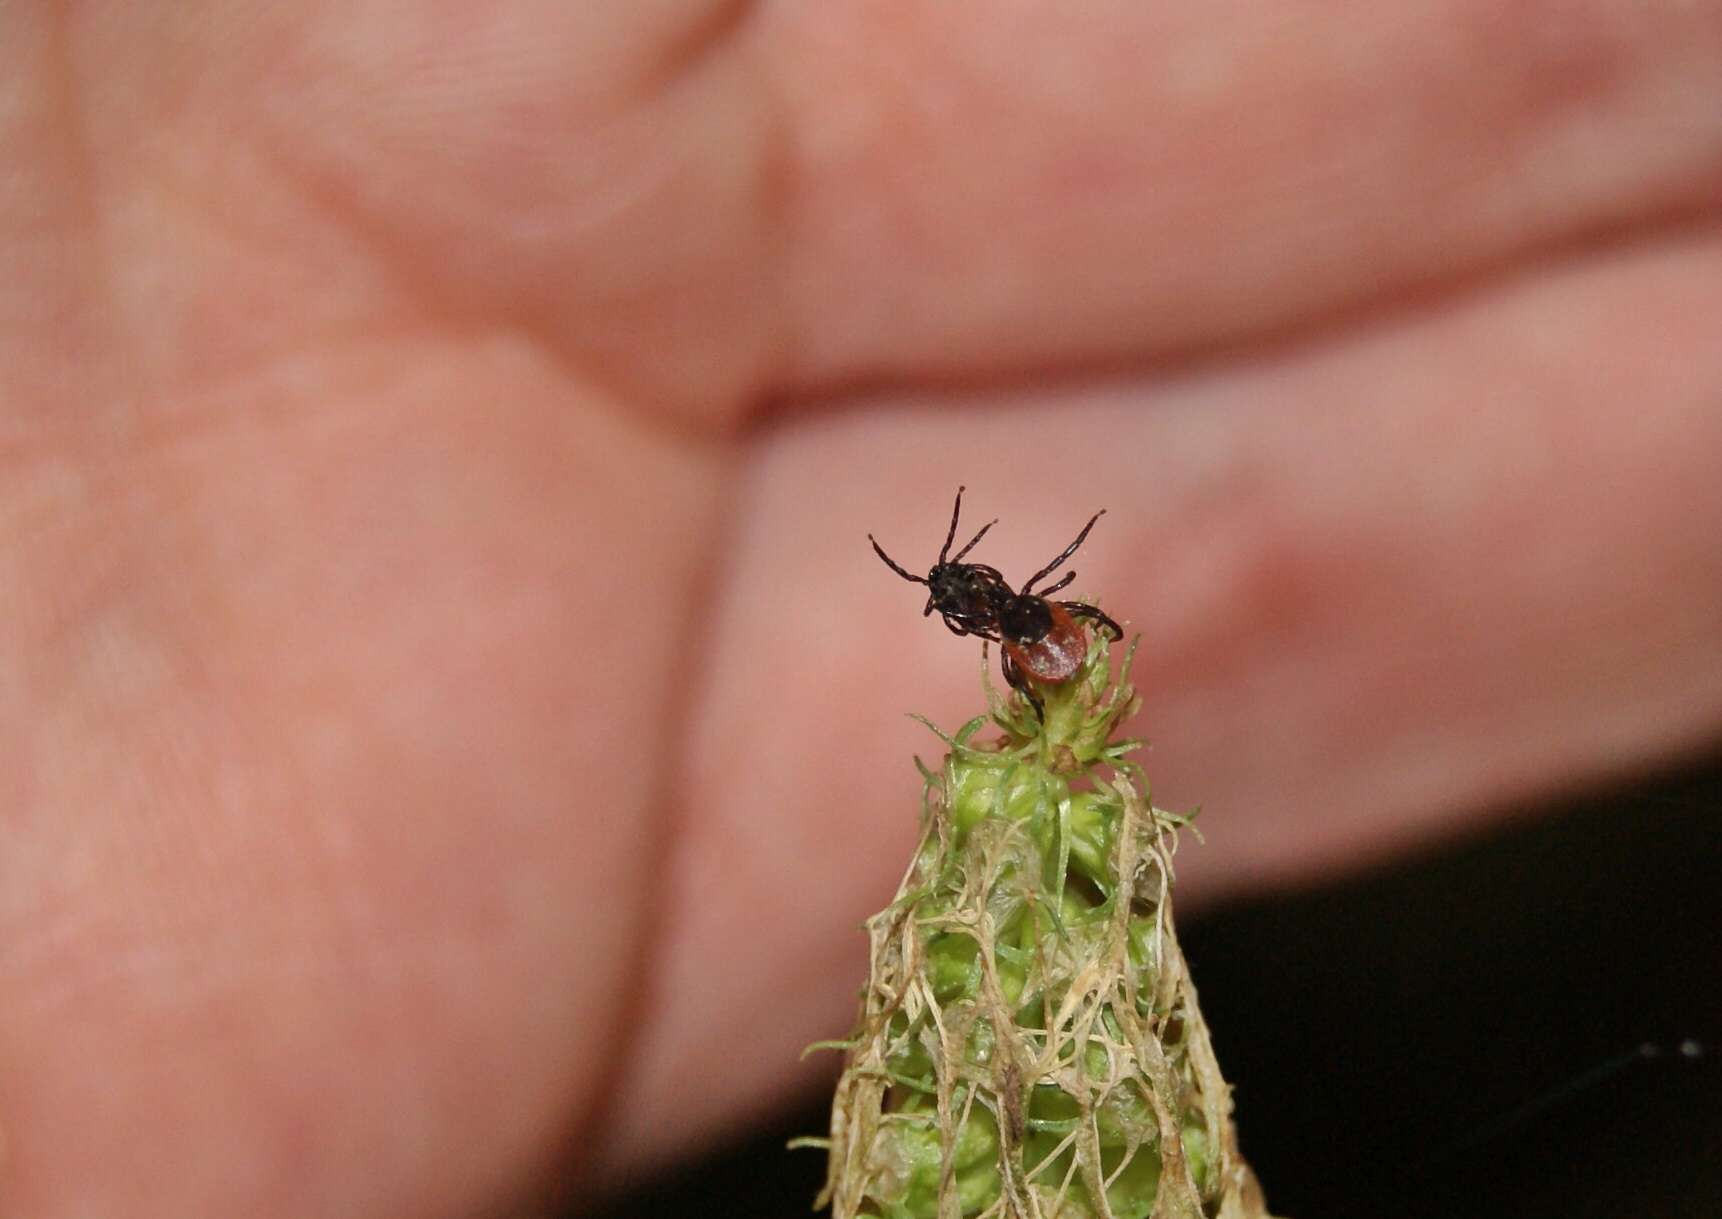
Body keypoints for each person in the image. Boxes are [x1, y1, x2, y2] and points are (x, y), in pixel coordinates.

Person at [3, 5, 1719, 1216]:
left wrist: (1003, 594)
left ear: (986, 592)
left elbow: (976, 582)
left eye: (983, 589)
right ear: (981, 611)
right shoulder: (972, 614)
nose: (985, 600)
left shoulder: (991, 595)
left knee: (1094, 606)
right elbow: (959, 595)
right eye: (984, 600)